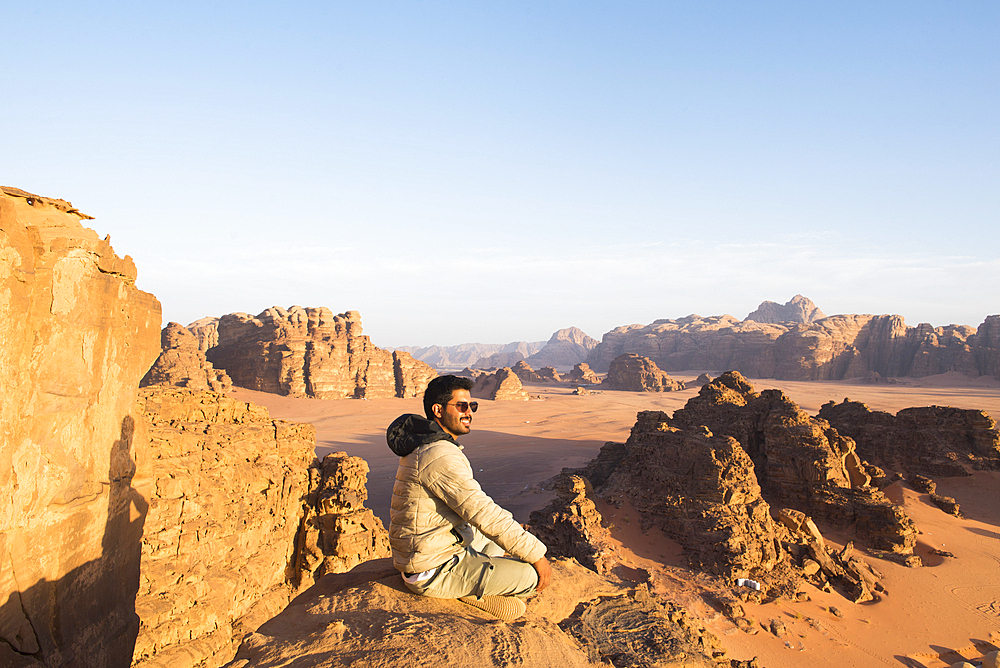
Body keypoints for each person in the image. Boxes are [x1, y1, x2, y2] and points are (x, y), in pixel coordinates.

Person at [386, 375, 551, 608]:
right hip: (432, 568)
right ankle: (467, 592)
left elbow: (479, 514)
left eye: (472, 406)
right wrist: (537, 556)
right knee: (530, 577)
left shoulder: (429, 445)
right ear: (438, 410)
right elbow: (482, 511)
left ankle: (474, 579)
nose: (469, 412)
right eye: (461, 406)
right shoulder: (438, 455)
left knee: (492, 539)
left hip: (431, 548)